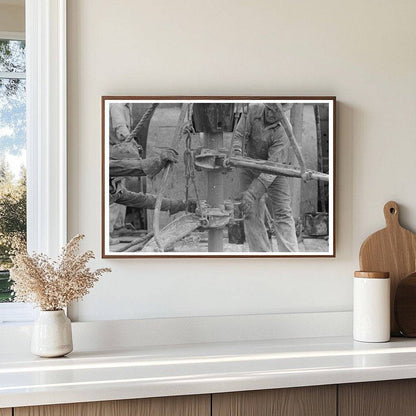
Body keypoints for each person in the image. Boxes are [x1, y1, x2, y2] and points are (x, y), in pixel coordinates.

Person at [231, 103, 299, 252]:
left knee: (283, 212)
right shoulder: (252, 110)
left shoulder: (284, 130)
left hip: (275, 170)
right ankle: (261, 254)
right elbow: (240, 134)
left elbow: (271, 168)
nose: (270, 114)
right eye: (269, 109)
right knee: (250, 210)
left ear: (284, 112)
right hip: (249, 165)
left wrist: (252, 193)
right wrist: (237, 151)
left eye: (275, 112)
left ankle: (290, 256)